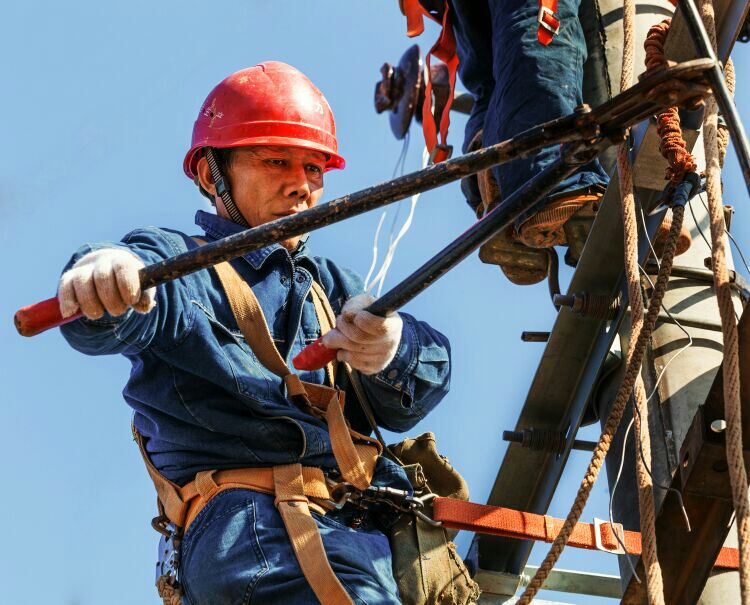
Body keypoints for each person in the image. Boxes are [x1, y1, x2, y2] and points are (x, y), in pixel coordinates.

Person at [57, 61, 451, 605]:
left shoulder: (329, 287)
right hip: (255, 534)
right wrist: (102, 278)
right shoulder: (184, 266)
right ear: (209, 174)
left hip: (350, 532)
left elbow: (421, 387)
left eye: (314, 167)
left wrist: (393, 347)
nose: (301, 185)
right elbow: (121, 305)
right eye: (275, 161)